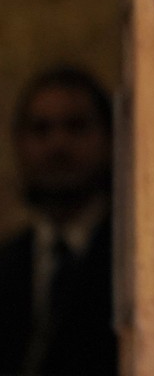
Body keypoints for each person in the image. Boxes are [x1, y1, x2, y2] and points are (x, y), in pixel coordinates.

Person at [0, 66, 118, 376]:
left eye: (76, 127)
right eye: (41, 129)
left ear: (110, 139)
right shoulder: (7, 263)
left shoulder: (136, 264)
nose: (57, 145)